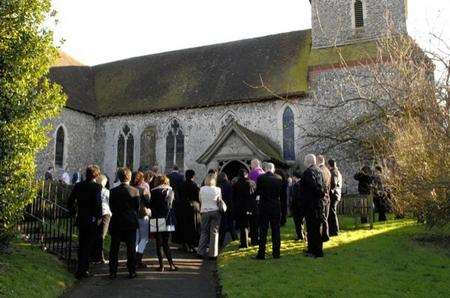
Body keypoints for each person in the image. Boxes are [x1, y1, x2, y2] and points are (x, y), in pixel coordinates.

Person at [109, 167, 147, 279]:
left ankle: (113, 272)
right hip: (130, 222)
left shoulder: (113, 191)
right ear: (129, 177)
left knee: (114, 248)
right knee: (131, 248)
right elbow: (136, 207)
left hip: (117, 222)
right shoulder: (135, 191)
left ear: (119, 178)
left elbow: (111, 207)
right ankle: (132, 271)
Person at [67, 165, 102, 279]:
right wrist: (98, 217)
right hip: (91, 220)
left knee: (82, 244)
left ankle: (80, 268)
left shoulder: (78, 185)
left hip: (81, 218)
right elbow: (97, 204)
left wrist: (73, 211)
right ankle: (83, 269)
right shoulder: (97, 187)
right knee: (88, 245)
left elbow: (70, 201)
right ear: (96, 175)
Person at [299, 154, 326, 258]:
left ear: (308, 161)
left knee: (312, 228)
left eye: (305, 161)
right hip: (318, 203)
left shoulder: (308, 172)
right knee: (316, 227)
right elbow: (322, 186)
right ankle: (312, 249)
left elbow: (313, 187)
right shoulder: (320, 171)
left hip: (311, 204)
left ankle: (316, 251)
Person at [255, 162, 283, 260]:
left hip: (264, 206)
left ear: (265, 168)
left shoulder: (261, 178)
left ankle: (261, 253)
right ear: (273, 169)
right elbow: (282, 194)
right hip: (276, 206)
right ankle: (276, 253)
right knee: (276, 230)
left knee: (263, 230)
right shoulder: (279, 178)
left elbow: (257, 192)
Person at [150, 175, 177, 272]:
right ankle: (171, 264)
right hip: (168, 219)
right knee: (166, 242)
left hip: (156, 218)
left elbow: (150, 205)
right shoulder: (171, 191)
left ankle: (161, 266)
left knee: (158, 243)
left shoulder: (153, 192)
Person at [198, 173, 222, 259]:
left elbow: (200, 200)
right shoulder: (218, 189)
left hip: (205, 211)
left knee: (204, 232)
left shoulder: (202, 189)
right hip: (215, 211)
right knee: (214, 233)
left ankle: (200, 252)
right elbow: (219, 200)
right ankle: (213, 254)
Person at [232, 168, 257, 248]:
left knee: (243, 226)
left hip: (241, 207)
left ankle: (244, 243)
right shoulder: (252, 183)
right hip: (252, 206)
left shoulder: (236, 184)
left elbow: (234, 197)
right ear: (246, 174)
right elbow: (255, 194)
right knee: (253, 225)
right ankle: (254, 241)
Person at [132, 171, 151, 268]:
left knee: (135, 238)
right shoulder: (143, 190)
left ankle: (133, 259)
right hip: (142, 215)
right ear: (141, 179)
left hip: (132, 216)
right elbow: (148, 203)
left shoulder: (130, 189)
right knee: (144, 239)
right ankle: (138, 260)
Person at [179, 169, 201, 252]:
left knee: (185, 225)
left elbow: (180, 195)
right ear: (193, 176)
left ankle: (185, 243)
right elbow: (197, 197)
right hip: (193, 207)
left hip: (184, 206)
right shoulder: (194, 185)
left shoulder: (182, 184)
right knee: (194, 226)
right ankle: (192, 244)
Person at [92, 174, 111, 263]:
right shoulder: (106, 191)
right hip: (105, 214)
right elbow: (110, 203)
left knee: (97, 235)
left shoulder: (94, 190)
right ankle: (99, 257)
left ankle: (95, 256)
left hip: (96, 214)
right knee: (101, 236)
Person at [217, 173, 237, 248]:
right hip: (230, 206)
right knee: (231, 225)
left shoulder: (218, 186)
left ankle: (220, 243)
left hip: (222, 207)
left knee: (222, 226)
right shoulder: (230, 185)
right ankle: (235, 240)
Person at [167, 165, 185, 244]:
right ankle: (175, 234)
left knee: (169, 215)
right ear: (178, 169)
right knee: (176, 216)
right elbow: (182, 188)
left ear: (172, 169)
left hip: (169, 196)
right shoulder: (181, 176)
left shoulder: (168, 176)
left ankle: (169, 233)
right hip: (178, 198)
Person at [248, 159, 264, 245]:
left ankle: (254, 239)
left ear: (254, 164)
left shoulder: (253, 173)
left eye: (251, 164)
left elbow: (250, 187)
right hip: (263, 200)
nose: (250, 166)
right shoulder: (263, 172)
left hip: (254, 200)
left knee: (254, 221)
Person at [317, 155, 331, 241]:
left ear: (318, 161)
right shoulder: (327, 170)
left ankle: (324, 235)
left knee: (322, 217)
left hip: (322, 196)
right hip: (327, 196)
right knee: (325, 217)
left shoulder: (320, 171)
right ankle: (325, 235)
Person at [328, 159, 343, 236]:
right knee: (333, 212)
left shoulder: (333, 172)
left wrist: (329, 190)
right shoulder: (337, 171)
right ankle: (334, 230)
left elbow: (333, 183)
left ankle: (334, 231)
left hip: (334, 194)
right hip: (337, 194)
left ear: (329, 165)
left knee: (332, 213)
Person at [291, 171, 306, 241]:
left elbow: (294, 197)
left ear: (295, 177)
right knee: (302, 221)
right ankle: (302, 233)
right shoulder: (303, 184)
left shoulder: (296, 185)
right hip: (303, 205)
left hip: (296, 206)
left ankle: (300, 235)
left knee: (297, 222)